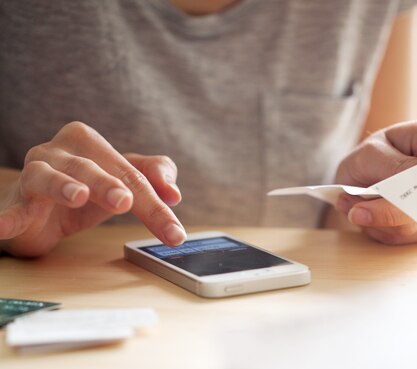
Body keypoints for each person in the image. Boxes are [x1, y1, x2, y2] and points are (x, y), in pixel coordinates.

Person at [0, 0, 417, 258]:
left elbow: (374, 216)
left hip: (294, 317)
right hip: (71, 304)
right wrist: (15, 206)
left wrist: (391, 206)